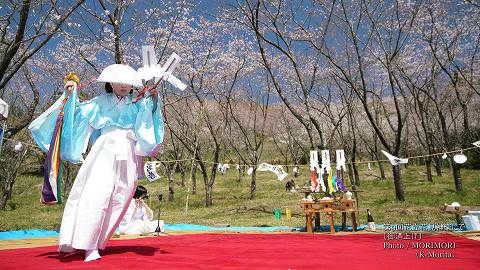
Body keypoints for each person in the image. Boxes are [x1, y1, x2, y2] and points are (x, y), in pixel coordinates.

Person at [28, 64, 164, 261]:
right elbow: (76, 114)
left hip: (128, 151)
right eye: (119, 82)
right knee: (96, 193)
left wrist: (153, 98)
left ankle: (98, 242)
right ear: (110, 83)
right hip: (105, 150)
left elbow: (149, 118)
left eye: (127, 83)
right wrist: (71, 94)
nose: (123, 86)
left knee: (121, 197)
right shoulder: (99, 102)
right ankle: (87, 244)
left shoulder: (136, 103)